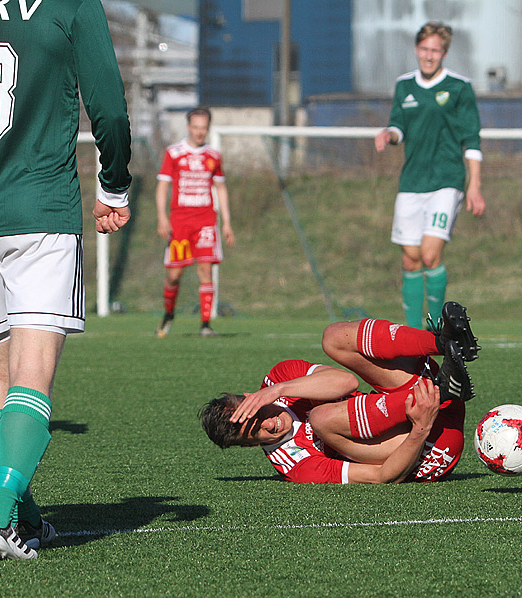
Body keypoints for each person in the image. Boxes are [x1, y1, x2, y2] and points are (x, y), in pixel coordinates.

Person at [0, 0, 132, 559]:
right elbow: (107, 104)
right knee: (30, 374)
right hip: (40, 211)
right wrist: (114, 185)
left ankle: (23, 518)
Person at [200, 302, 480, 483]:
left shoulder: (279, 379)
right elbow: (383, 475)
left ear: (251, 397)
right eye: (256, 432)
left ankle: (443, 342)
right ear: (251, 445)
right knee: (321, 418)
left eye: (259, 414)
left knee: (334, 337)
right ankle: (442, 392)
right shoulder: (296, 464)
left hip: (426, 397)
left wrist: (278, 389)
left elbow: (346, 382)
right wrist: (420, 428)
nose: (270, 423)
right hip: (428, 447)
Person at [374, 22, 486, 327]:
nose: (429, 55)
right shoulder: (404, 86)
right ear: (416, 49)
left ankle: (435, 329)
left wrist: (474, 185)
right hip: (412, 183)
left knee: (429, 255)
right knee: (409, 259)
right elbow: (399, 126)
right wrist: (389, 134)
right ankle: (411, 335)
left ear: (444, 53)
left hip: (446, 181)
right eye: (424, 48)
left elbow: (472, 140)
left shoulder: (459, 87)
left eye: (435, 50)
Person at [155, 107, 234, 338]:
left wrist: (227, 222)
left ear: (208, 129)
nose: (200, 132)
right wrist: (162, 217)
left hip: (206, 221)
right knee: (174, 275)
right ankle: (169, 313)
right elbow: (163, 186)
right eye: (196, 127)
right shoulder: (174, 153)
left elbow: (220, 187)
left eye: (204, 128)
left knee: (205, 269)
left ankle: (206, 325)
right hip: (179, 223)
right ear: (189, 127)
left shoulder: (213, 156)